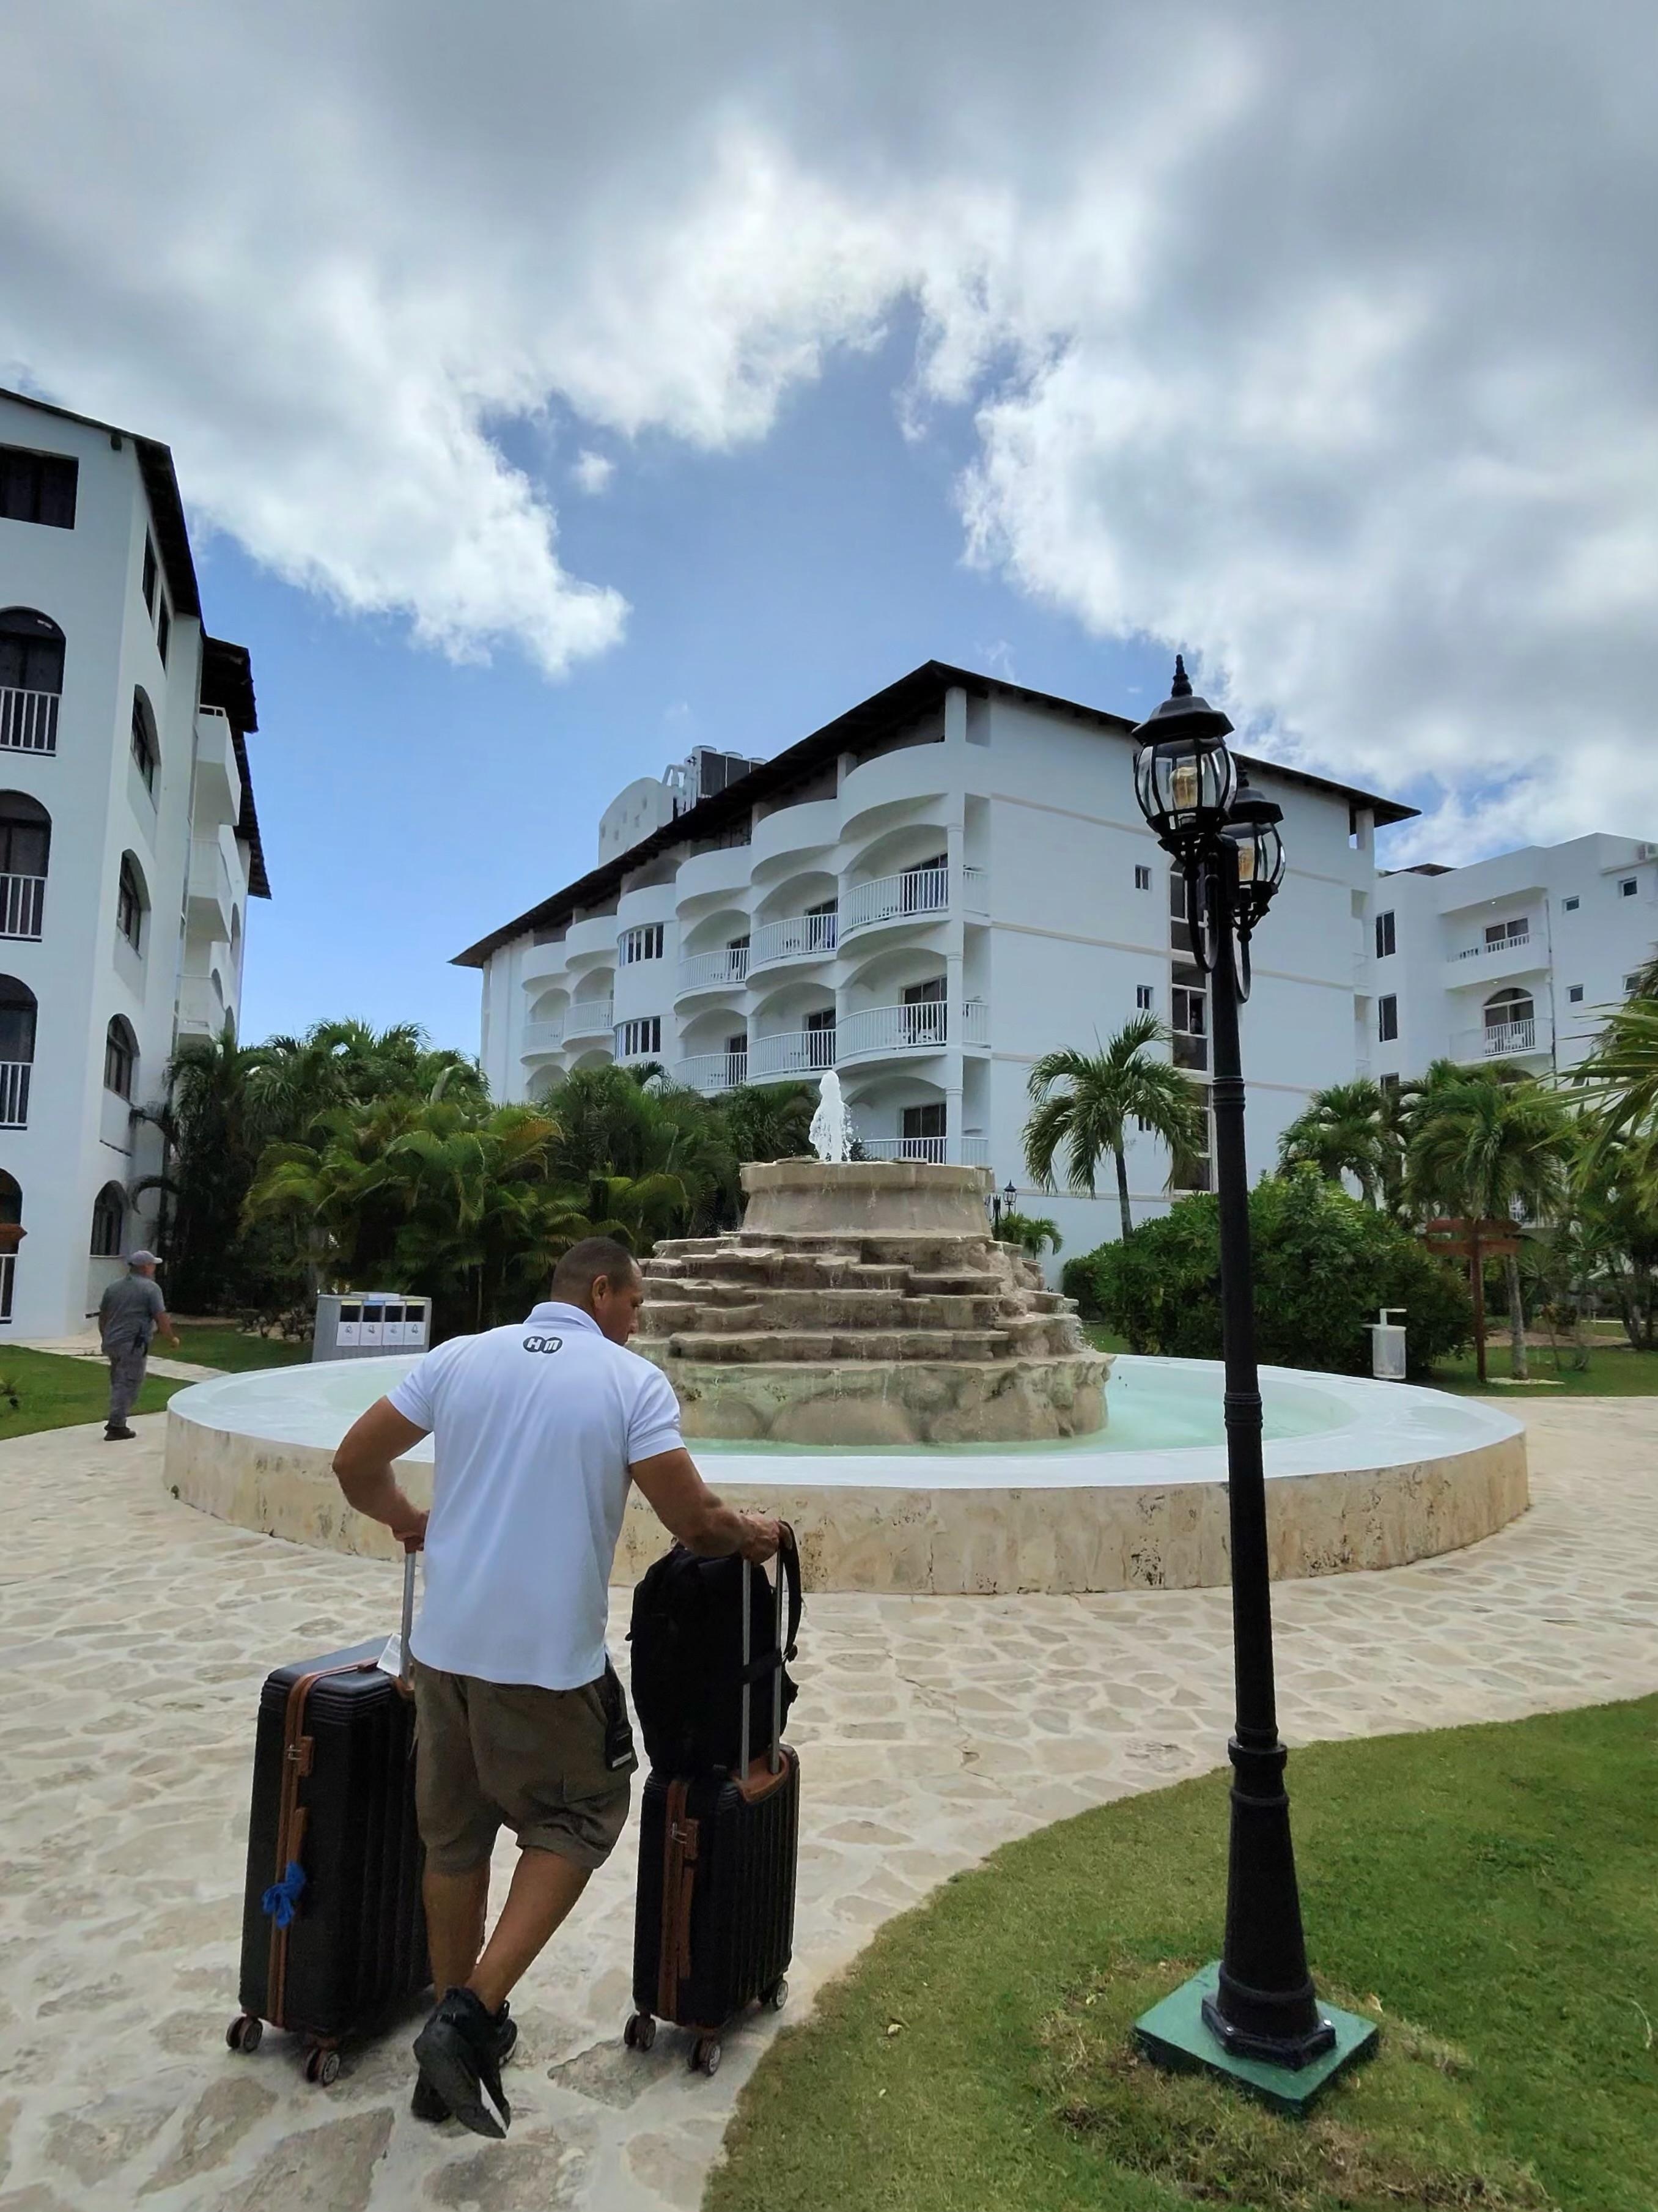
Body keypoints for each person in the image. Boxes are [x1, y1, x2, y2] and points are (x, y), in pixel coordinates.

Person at [330, 1236, 781, 2140]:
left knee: (454, 1840)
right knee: (584, 1813)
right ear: (601, 1290)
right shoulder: (629, 1382)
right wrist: (755, 1533)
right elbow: (693, 1522)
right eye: (635, 1303)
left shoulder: (461, 1358)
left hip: (443, 1653)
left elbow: (352, 1463)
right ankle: (469, 2017)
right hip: (545, 1662)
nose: (638, 1322)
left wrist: (409, 1520)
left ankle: (446, 2059)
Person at [98, 1249, 180, 1441]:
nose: (154, 1269)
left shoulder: (114, 1287)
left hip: (113, 1342)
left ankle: (117, 1420)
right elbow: (160, 1316)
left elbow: (103, 1316)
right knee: (129, 1383)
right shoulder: (151, 1289)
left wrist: (105, 1337)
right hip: (133, 1343)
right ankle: (116, 1425)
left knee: (118, 1381)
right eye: (153, 1265)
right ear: (146, 1267)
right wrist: (171, 1338)